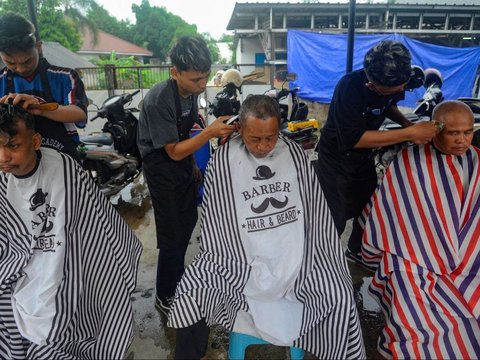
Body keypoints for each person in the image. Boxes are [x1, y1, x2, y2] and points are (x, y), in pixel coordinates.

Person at [168, 95, 366, 359]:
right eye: (254, 139)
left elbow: (313, 215)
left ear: (279, 129)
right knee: (191, 292)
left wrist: (305, 253)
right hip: (237, 258)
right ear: (241, 129)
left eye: (270, 138)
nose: (263, 146)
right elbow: (217, 224)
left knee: (339, 294)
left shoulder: (294, 154)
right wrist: (242, 258)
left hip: (297, 257)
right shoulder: (223, 161)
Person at [0, 102, 142, 358]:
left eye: (13, 146)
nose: (3, 157)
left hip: (68, 257)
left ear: (34, 141)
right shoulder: (2, 180)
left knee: (86, 292)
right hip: (22, 264)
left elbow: (94, 226)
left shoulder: (65, 168)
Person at [361, 100, 480, 358]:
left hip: (470, 256)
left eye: (468, 132)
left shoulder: (477, 160)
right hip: (411, 255)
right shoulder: (409, 162)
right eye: (453, 133)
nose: (462, 140)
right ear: (435, 129)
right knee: (412, 306)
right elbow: (388, 213)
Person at [314, 40, 438, 267]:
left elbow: (388, 104)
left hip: (363, 158)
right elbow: (355, 139)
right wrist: (409, 135)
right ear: (371, 81)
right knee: (334, 215)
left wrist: (406, 125)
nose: (402, 91)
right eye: (395, 88)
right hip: (336, 159)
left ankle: (355, 250)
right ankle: (323, 262)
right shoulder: (349, 87)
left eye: (402, 86)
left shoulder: (397, 81)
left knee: (369, 208)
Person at [137, 36, 236, 316]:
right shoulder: (159, 101)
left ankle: (178, 278)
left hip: (181, 157)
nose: (202, 85)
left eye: (205, 77)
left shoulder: (191, 92)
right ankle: (165, 294)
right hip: (160, 163)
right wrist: (209, 133)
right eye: (195, 80)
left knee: (189, 219)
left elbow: (185, 137)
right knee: (172, 234)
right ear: (174, 72)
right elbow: (171, 151)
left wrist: (193, 162)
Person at [0, 12, 88, 160]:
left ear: (38, 47)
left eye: (27, 61)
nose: (21, 69)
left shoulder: (65, 77)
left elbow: (79, 113)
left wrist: (41, 108)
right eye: (11, 63)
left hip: (63, 158)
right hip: (15, 164)